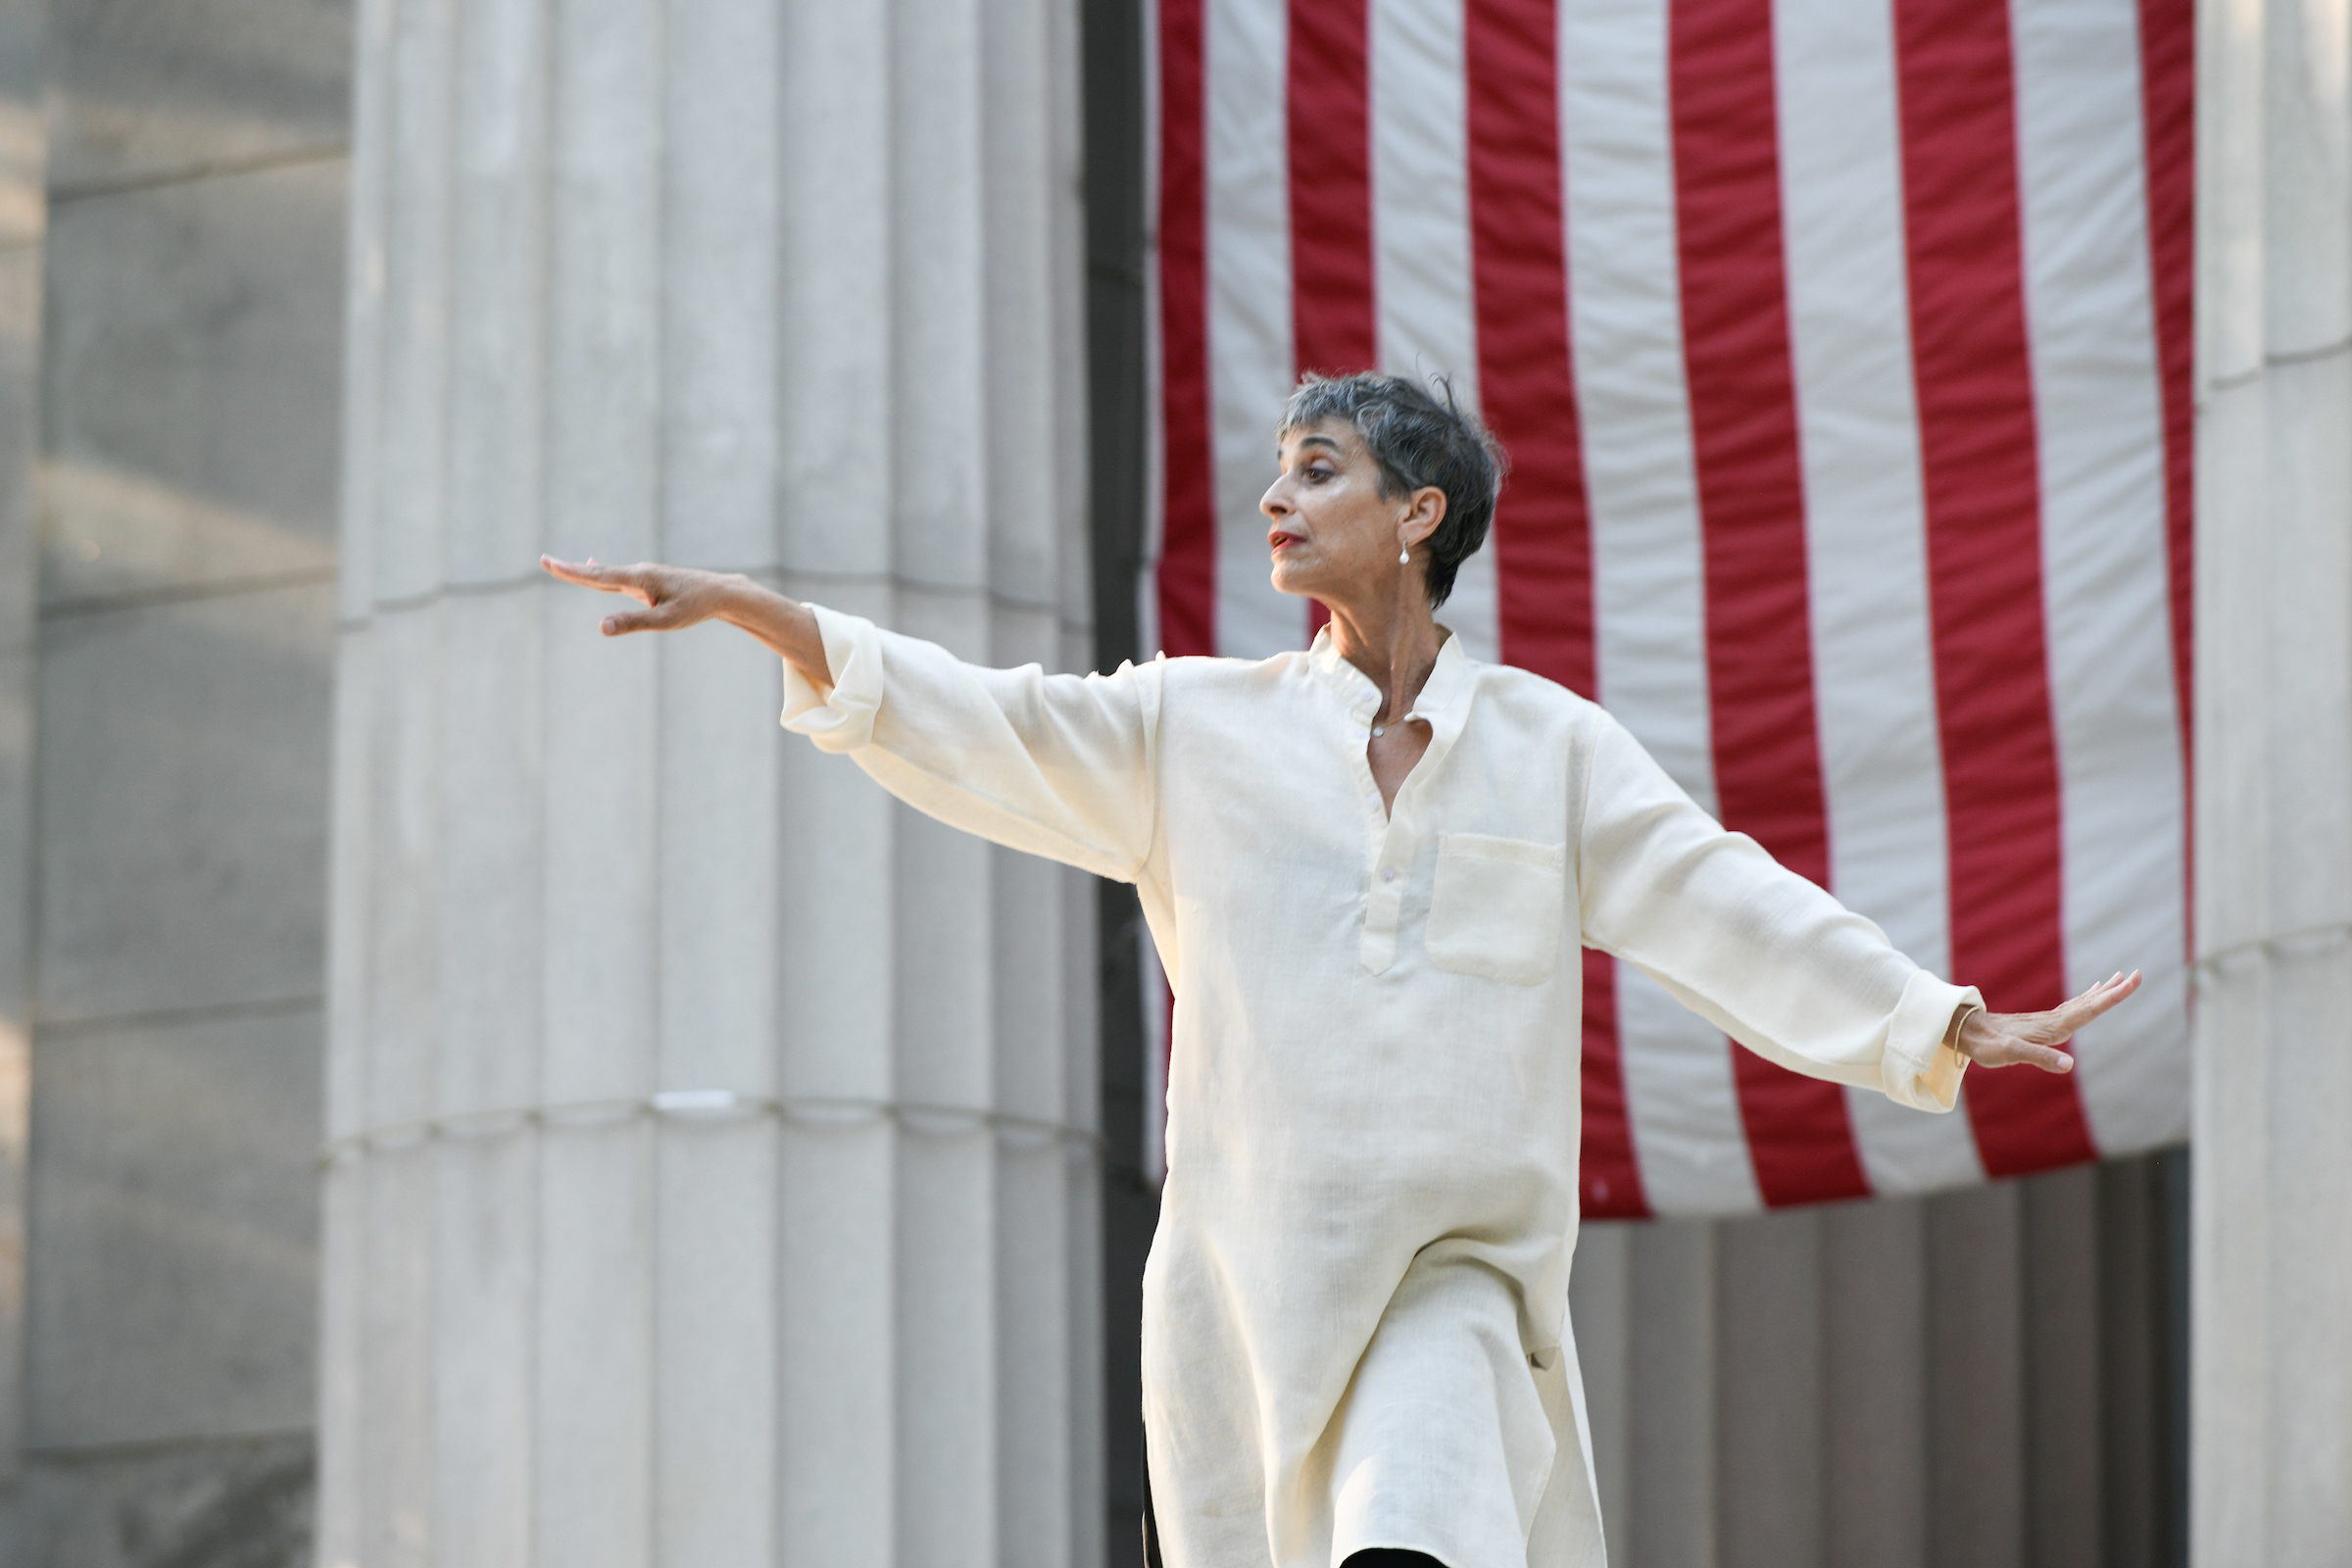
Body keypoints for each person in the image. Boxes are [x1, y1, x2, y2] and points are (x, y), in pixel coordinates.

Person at [543, 372, 2139, 1568]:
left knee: (1420, 1526)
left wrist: (1934, 1020)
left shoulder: (1551, 749)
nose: (1276, 499)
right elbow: (987, 718)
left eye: (1321, 471)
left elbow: (1724, 901)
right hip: (1242, 1300)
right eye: (1276, 472)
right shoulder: (1190, 726)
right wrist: (765, 615)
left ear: (1420, 514)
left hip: (1455, 1278)